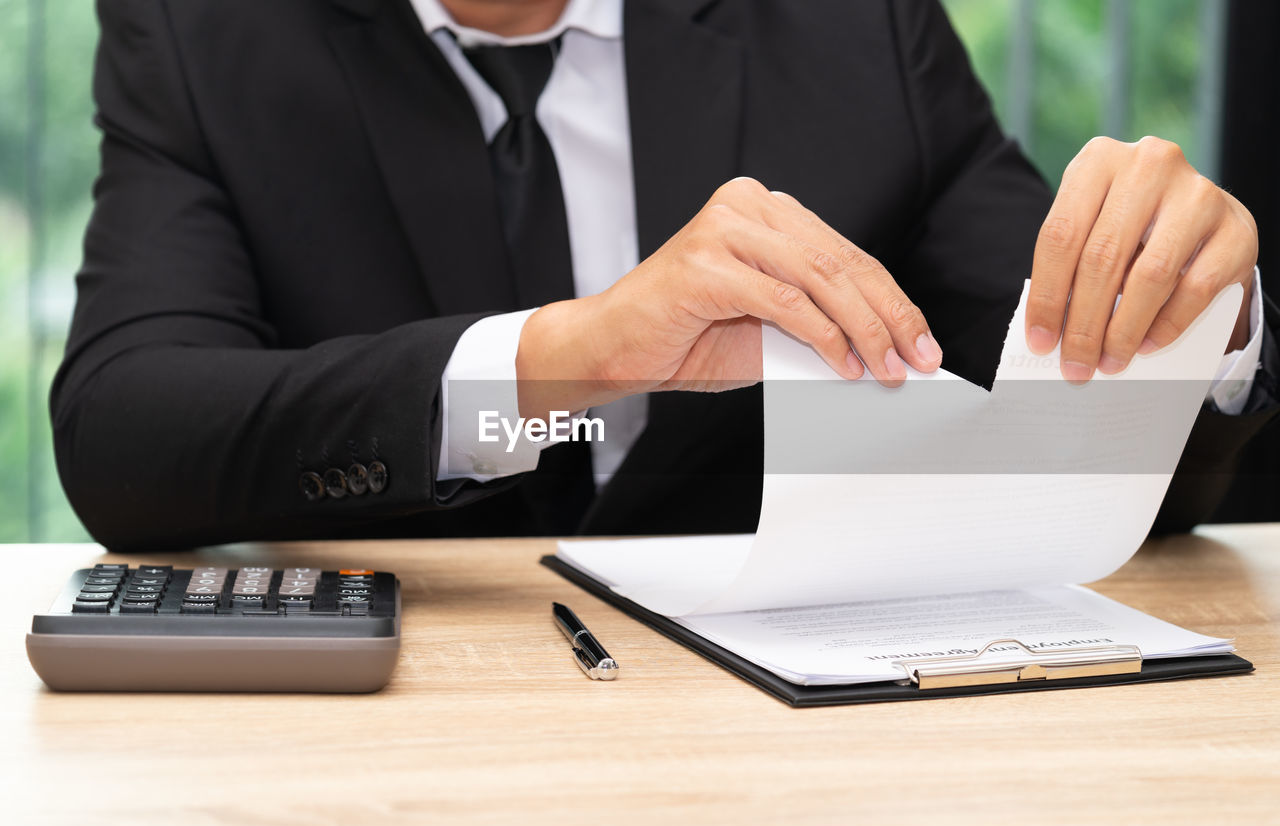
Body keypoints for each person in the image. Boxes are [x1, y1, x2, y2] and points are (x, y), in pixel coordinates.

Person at [52, 0, 1278, 551]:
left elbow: (1066, 401)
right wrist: (557, 360)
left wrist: (1187, 322)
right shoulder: (200, 31)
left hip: (783, 756)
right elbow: (129, 433)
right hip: (382, 755)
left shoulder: (852, 26)